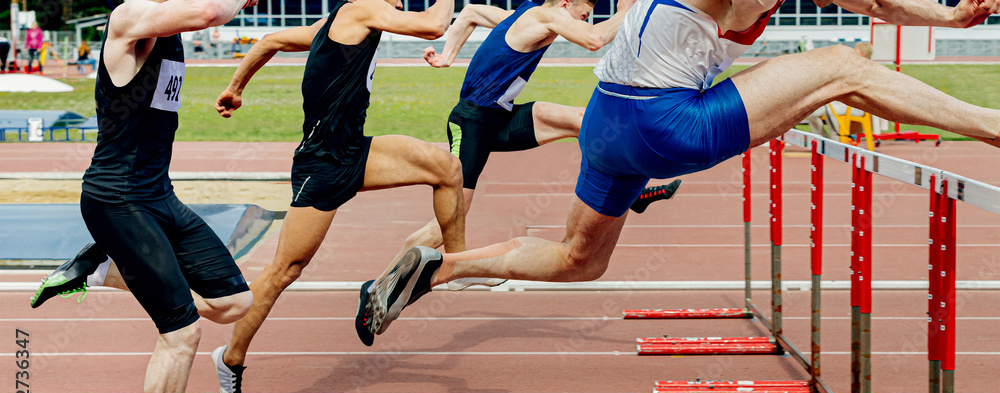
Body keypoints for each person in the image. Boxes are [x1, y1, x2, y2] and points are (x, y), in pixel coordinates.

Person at [356, 0, 1000, 344]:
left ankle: (439, 269)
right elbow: (876, 7)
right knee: (842, 66)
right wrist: (943, 16)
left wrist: (947, 16)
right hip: (665, 124)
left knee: (581, 258)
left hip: (608, 121)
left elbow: (876, 2)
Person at [29, 0, 258, 393]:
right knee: (182, 333)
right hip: (117, 198)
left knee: (235, 302)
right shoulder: (131, 16)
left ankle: (97, 269)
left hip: (158, 194)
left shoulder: (172, 25)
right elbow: (209, 14)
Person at [208, 0, 465, 393]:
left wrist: (235, 87)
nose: (400, 2)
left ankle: (457, 263)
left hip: (355, 152)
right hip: (322, 165)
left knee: (447, 168)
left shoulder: (337, 23)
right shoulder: (359, 10)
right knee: (284, 272)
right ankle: (231, 357)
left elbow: (271, 39)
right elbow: (435, 26)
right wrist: (235, 86)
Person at [393, 0, 679, 291]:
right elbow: (595, 39)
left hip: (501, 118)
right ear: (565, 3)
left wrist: (447, 56)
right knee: (453, 214)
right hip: (471, 124)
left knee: (586, 120)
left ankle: (630, 193)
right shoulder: (545, 16)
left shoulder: (526, 16)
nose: (585, 19)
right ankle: (400, 273)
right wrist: (628, 11)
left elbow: (471, 13)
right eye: (584, 13)